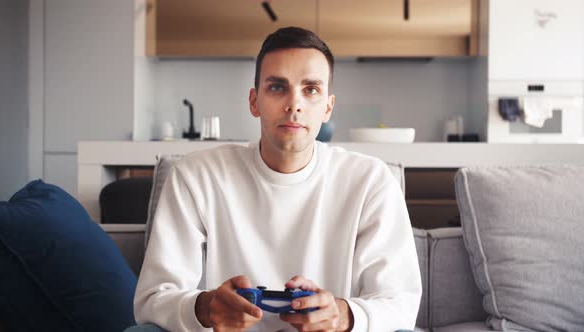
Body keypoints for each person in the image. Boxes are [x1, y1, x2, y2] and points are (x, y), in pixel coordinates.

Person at [127, 26, 421, 332]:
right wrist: (206, 307)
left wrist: (343, 315)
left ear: (328, 108)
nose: (295, 104)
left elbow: (401, 302)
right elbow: (151, 300)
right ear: (254, 101)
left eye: (311, 90)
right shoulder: (196, 176)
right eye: (278, 87)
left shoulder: (370, 180)